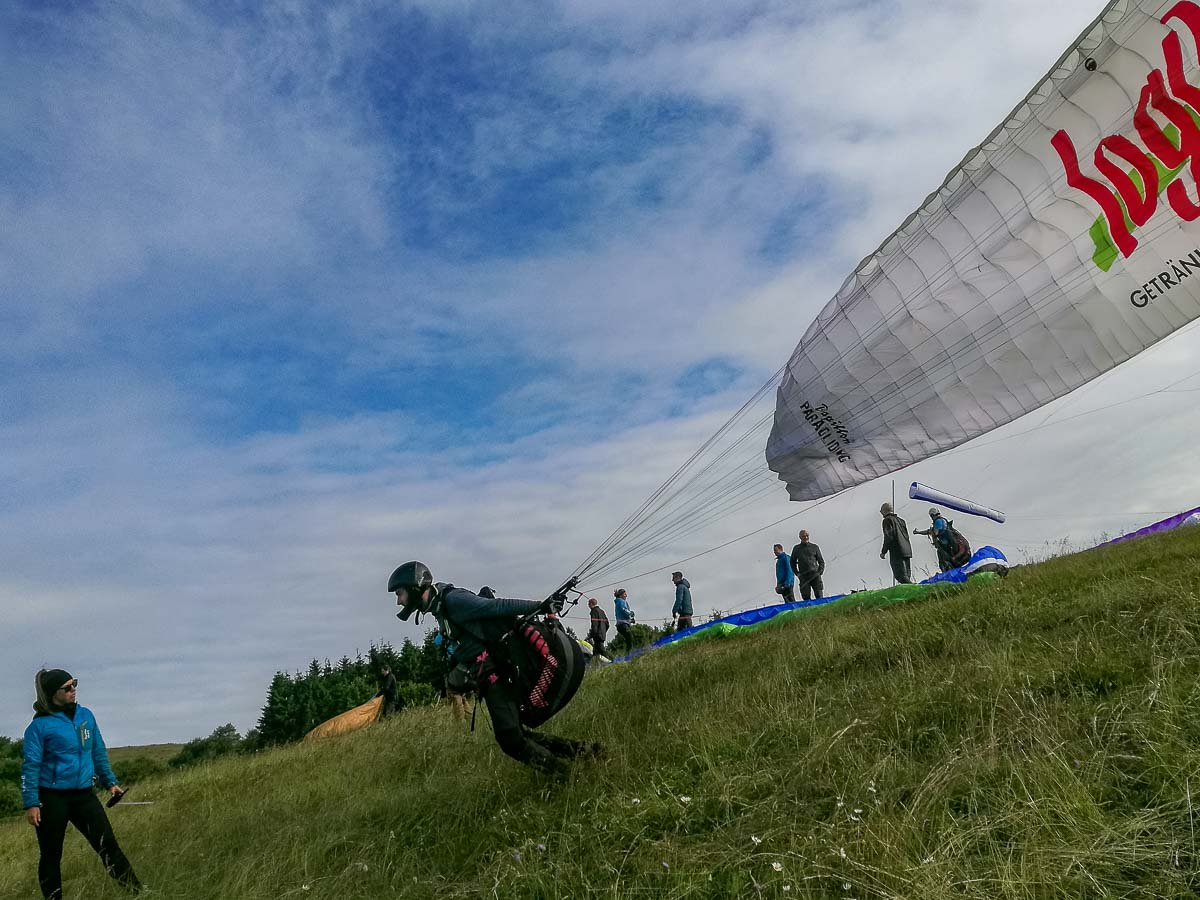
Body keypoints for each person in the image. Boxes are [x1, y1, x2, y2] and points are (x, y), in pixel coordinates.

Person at [388, 561, 596, 775]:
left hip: (497, 674)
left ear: (414, 588)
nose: (399, 601)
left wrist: (539, 606)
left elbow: (497, 607)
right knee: (514, 735)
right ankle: (586, 753)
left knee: (510, 738)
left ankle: (566, 776)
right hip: (490, 675)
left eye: (400, 593)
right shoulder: (440, 608)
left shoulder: (453, 600)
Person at [21, 669, 141, 900]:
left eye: (74, 683)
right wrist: (32, 803)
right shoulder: (39, 727)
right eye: (67, 687)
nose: (73, 689)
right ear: (53, 693)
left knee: (108, 844)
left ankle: (137, 893)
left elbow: (97, 751)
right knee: (51, 855)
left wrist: (110, 783)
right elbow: (31, 766)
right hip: (51, 798)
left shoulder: (86, 716)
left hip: (84, 795)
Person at [879, 503, 913, 584]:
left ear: (884, 511)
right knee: (907, 576)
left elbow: (889, 537)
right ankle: (913, 589)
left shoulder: (887, 520)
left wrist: (883, 552)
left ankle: (918, 589)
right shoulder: (902, 521)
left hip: (897, 551)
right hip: (907, 550)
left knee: (901, 576)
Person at [790, 530, 825, 600]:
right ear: (800, 537)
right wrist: (797, 573)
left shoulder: (814, 547)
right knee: (806, 597)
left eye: (807, 536)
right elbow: (792, 562)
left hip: (815, 575)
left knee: (819, 596)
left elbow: (821, 561)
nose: (805, 537)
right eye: (803, 536)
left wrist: (820, 572)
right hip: (803, 576)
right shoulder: (796, 548)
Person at [613, 588, 636, 653]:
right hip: (623, 624)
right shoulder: (621, 601)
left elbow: (622, 614)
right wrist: (630, 613)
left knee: (629, 639)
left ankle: (628, 653)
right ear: (621, 595)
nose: (626, 595)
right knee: (630, 639)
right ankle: (630, 654)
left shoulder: (619, 602)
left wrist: (630, 620)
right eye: (625, 594)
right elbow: (623, 610)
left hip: (621, 624)